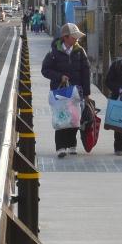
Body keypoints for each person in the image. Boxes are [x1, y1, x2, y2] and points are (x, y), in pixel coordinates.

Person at [42, 23, 91, 158]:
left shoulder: (80, 51)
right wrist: (59, 77)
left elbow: (86, 72)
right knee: (61, 118)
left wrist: (86, 93)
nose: (76, 39)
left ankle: (72, 144)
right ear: (65, 37)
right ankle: (60, 146)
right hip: (60, 91)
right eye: (74, 37)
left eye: (77, 37)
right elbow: (45, 70)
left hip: (76, 91)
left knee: (75, 118)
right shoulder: (53, 52)